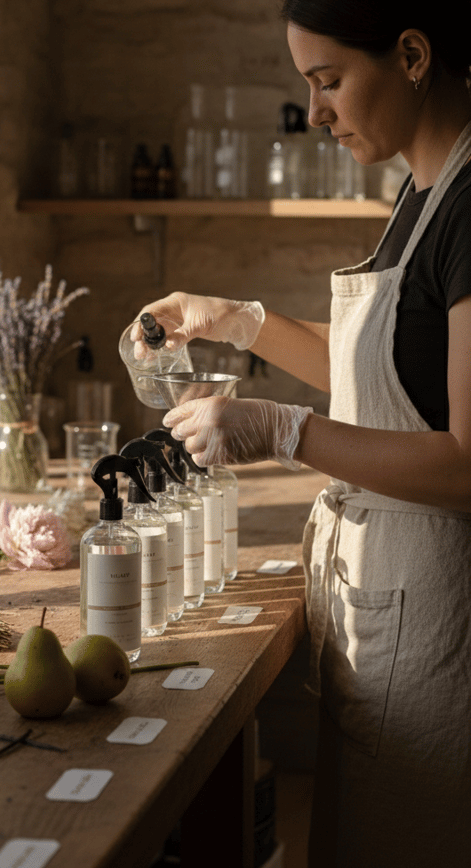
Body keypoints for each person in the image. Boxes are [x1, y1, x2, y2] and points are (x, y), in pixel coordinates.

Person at [130, 2, 471, 865]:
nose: (315, 112)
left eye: (328, 81)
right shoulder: (424, 190)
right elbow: (387, 376)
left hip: (441, 616)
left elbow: (468, 464)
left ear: (413, 54)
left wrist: (282, 429)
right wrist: (235, 320)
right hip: (390, 601)